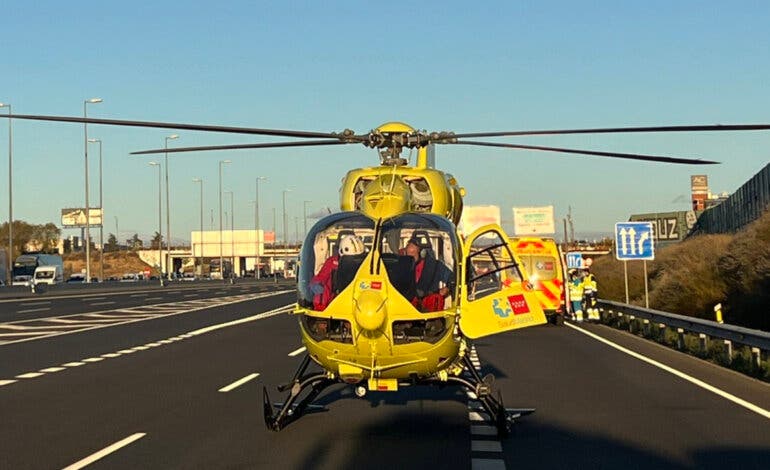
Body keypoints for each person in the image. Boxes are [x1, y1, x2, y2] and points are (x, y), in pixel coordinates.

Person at [308, 234, 366, 310]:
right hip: (336, 300)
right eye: (348, 259)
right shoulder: (332, 262)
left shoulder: (366, 263)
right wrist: (315, 283)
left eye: (356, 258)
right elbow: (321, 278)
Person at [404, 234, 453, 312]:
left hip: (430, 314)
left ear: (422, 253)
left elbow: (453, 279)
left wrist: (447, 289)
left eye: (413, 255)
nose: (410, 259)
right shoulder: (401, 265)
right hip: (405, 310)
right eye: (408, 255)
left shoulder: (435, 266)